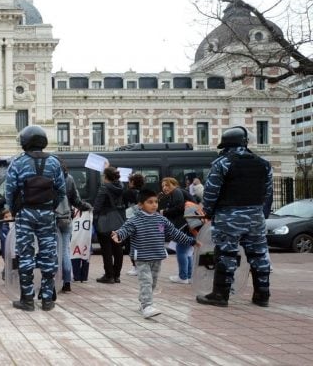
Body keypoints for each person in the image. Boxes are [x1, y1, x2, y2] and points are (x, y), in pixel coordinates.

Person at [197, 126, 273, 307]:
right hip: (255, 217)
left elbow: (210, 193)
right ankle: (262, 295)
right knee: (259, 255)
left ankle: (220, 295)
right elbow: (267, 192)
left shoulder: (223, 163)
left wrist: (207, 212)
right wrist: (260, 213)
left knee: (225, 254)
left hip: (229, 217)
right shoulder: (263, 163)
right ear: (244, 142)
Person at [111, 188, 201, 318]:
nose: (154, 205)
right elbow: (125, 230)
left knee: (152, 282)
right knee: (146, 281)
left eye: (156, 202)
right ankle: (147, 306)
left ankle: (143, 302)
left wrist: (191, 241)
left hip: (157, 256)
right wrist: (118, 235)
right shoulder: (134, 220)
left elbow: (175, 233)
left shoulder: (161, 220)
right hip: (141, 258)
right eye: (150, 202)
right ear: (141, 205)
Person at [5, 125, 66, 311]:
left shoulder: (17, 162)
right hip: (47, 214)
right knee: (49, 255)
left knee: (25, 255)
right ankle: (48, 299)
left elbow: (9, 191)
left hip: (25, 214)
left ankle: (28, 299)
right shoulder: (55, 163)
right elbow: (61, 191)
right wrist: (50, 207)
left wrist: (15, 210)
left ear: (25, 142)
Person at [54, 156, 92, 293]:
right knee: (65, 251)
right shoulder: (69, 178)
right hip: (65, 218)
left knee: (51, 251)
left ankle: (52, 281)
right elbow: (76, 200)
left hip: (51, 219)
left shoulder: (48, 178)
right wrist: (86, 207)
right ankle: (67, 282)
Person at [93, 166, 125, 284]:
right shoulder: (121, 186)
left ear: (106, 177)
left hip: (105, 220)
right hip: (119, 220)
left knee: (106, 249)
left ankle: (109, 275)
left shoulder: (104, 188)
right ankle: (116, 275)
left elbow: (97, 206)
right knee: (118, 248)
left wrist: (94, 219)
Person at [159, 177, 191, 284]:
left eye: (167, 185)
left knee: (181, 249)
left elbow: (179, 208)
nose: (164, 188)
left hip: (185, 225)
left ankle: (183, 277)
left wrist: (165, 212)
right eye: (163, 186)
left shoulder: (176, 192)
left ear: (174, 184)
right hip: (190, 224)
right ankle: (189, 275)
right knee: (187, 251)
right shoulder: (179, 192)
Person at [123, 172, 145, 276]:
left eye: (129, 181)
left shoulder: (128, 192)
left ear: (132, 182)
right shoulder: (144, 192)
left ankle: (136, 267)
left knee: (131, 244)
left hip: (131, 219)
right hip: (143, 220)